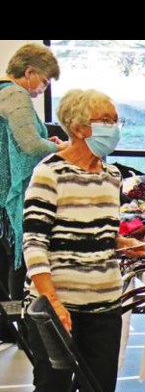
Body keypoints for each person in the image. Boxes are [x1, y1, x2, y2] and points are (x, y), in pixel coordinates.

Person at [18, 88, 145, 392]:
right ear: (78, 127)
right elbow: (34, 242)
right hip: (58, 306)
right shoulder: (49, 173)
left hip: (104, 303)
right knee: (52, 389)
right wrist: (53, 301)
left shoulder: (111, 176)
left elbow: (99, 234)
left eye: (115, 120)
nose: (114, 128)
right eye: (106, 120)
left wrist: (123, 244)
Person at [0, 44, 64, 309]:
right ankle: (21, 322)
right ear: (29, 72)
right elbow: (30, 145)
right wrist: (61, 148)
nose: (43, 88)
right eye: (45, 82)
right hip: (11, 193)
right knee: (20, 256)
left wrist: (45, 141)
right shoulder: (15, 94)